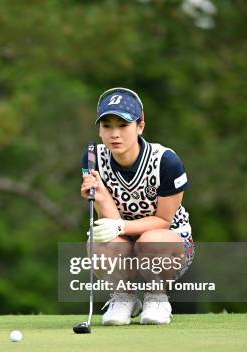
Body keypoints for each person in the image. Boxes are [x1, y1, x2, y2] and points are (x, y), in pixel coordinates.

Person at [80, 87, 194, 325]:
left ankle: (157, 297)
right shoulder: (93, 158)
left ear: (140, 126)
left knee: (152, 240)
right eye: (107, 125)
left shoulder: (166, 161)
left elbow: (164, 220)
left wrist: (120, 227)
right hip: (125, 240)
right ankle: (124, 296)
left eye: (123, 125)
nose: (115, 134)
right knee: (97, 242)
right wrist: (101, 198)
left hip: (168, 244)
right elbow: (110, 223)